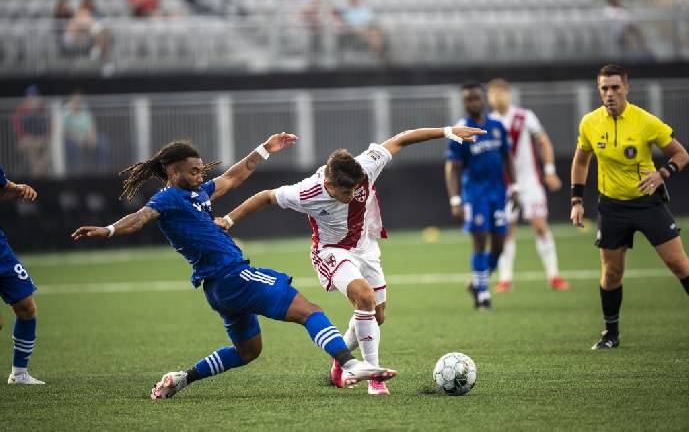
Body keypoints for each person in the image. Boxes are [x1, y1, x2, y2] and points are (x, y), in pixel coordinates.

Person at [71, 134, 396, 399]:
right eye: (193, 171)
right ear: (172, 171)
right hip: (232, 275)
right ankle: (350, 364)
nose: (200, 176)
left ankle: (182, 379)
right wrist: (108, 230)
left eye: (201, 171)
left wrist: (266, 149)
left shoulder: (198, 193)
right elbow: (140, 218)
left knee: (248, 351)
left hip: (217, 289)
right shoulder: (167, 199)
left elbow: (233, 177)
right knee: (309, 311)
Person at [218, 124, 485, 395]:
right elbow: (265, 197)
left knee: (376, 316)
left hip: (366, 248)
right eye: (346, 193)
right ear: (329, 184)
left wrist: (447, 131)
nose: (351, 196)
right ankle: (374, 379)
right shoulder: (306, 192)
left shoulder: (366, 166)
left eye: (355, 191)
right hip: (330, 250)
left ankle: (340, 358)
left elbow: (401, 140)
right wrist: (228, 220)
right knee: (365, 297)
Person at [570, 64, 689, 350]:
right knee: (611, 272)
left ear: (626, 88)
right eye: (604, 88)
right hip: (611, 207)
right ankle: (610, 334)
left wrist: (662, 174)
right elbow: (581, 161)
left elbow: (681, 154)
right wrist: (576, 201)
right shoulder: (589, 122)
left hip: (648, 204)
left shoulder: (645, 121)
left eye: (614, 87)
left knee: (678, 263)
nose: (609, 94)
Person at [486, 78, 570, 292]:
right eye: (493, 93)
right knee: (506, 231)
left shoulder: (524, 116)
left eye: (500, 92)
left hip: (530, 181)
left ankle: (554, 276)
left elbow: (543, 141)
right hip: (503, 185)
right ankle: (505, 279)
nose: (497, 96)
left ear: (508, 94)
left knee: (540, 226)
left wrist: (549, 170)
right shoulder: (486, 122)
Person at [445, 81, 518, 310]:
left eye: (476, 97)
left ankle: (478, 281)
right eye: (468, 99)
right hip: (475, 195)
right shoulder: (460, 130)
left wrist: (514, 187)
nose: (472, 102)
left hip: (499, 193)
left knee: (499, 245)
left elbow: (507, 157)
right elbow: (452, 167)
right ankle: (483, 293)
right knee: (479, 241)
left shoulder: (497, 126)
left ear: (483, 98)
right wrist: (455, 199)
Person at [0, 165, 43, 385]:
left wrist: (19, 189)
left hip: (0, 249)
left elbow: (2, 189)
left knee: (26, 307)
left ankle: (19, 374)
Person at [63, 91, 109, 175]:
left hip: (87, 137)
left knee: (102, 142)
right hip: (73, 139)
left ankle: (101, 172)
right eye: (76, 98)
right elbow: (65, 131)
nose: (78, 100)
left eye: (80, 98)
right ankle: (77, 174)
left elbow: (92, 126)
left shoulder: (85, 108)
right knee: (74, 147)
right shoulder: (66, 110)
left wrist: (93, 137)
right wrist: (78, 139)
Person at [11, 85, 51, 177]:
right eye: (30, 98)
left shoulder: (43, 110)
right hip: (25, 142)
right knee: (30, 147)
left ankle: (38, 171)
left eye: (34, 97)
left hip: (41, 141)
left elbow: (48, 128)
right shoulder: (20, 111)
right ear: (26, 99)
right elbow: (18, 129)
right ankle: (37, 172)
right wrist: (28, 138)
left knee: (49, 150)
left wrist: (43, 138)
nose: (32, 100)